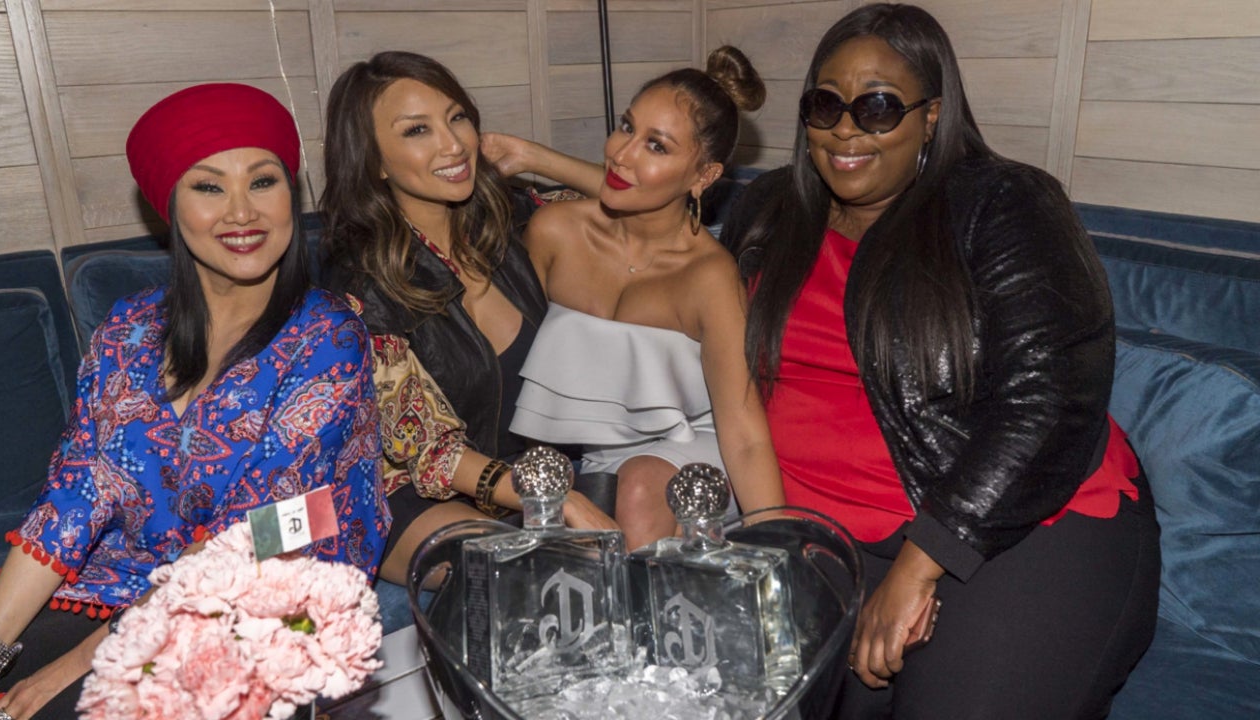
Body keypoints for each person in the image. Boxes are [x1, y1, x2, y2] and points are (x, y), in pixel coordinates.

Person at [720, 5, 1160, 718]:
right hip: (819, 533)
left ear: (931, 115)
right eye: (826, 105)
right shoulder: (770, 210)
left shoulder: (1003, 203)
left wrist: (924, 561)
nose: (846, 129)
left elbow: (1050, 399)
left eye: (878, 107)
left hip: (1009, 522)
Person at [0, 83, 388, 720]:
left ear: (291, 194)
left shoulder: (328, 337)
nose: (242, 212)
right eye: (208, 187)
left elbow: (261, 531)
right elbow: (77, 493)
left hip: (272, 590)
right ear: (170, 207)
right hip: (130, 579)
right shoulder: (129, 329)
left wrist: (72, 669)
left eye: (263, 181)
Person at [321, 51, 615, 586]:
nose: (453, 144)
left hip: (531, 475)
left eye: (457, 118)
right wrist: (557, 497)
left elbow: (637, 205)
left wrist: (535, 157)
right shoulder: (360, 283)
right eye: (417, 130)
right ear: (374, 161)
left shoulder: (510, 220)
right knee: (522, 578)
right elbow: (431, 450)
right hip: (413, 495)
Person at [509, 46, 786, 551]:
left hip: (696, 449)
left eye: (656, 146)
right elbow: (519, 367)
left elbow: (745, 437)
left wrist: (780, 551)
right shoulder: (555, 232)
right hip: (602, 459)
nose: (622, 153)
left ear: (703, 177)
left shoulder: (709, 277)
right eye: (626, 127)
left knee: (637, 488)